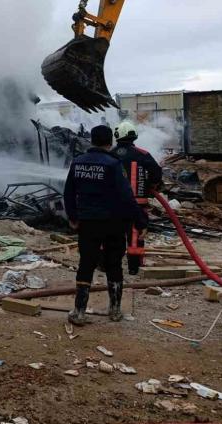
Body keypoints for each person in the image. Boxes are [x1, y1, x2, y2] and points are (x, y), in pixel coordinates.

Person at [63, 125, 147, 325]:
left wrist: (73, 217)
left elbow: (68, 193)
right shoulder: (113, 164)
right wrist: (140, 220)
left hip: (88, 223)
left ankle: (79, 312)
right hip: (114, 224)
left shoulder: (78, 162)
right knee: (114, 265)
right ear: (110, 142)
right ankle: (115, 310)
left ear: (91, 140)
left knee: (86, 264)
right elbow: (127, 196)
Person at [111, 120, 163, 275]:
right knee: (135, 235)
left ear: (117, 135)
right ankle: (134, 268)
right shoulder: (143, 154)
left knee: (112, 233)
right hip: (138, 204)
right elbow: (157, 173)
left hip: (114, 204)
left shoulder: (110, 154)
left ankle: (108, 263)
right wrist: (151, 186)